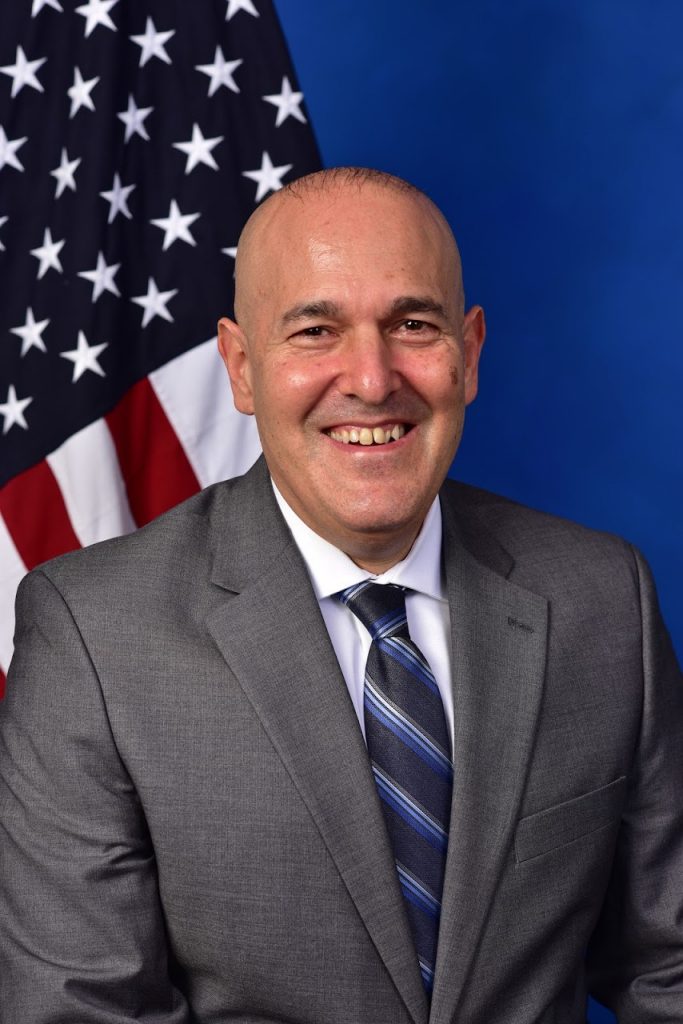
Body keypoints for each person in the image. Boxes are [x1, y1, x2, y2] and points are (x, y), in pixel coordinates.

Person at [0, 167, 681, 1024]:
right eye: (315, 330)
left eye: (412, 324)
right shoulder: (95, 633)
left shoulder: (600, 597)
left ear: (468, 353)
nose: (370, 377)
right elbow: (81, 1012)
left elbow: (669, 966)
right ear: (242, 369)